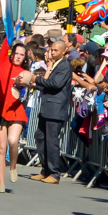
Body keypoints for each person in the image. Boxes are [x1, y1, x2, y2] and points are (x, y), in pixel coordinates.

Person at [0, 38, 33, 195]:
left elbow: (29, 84)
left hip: (16, 109)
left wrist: (24, 83)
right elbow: (5, 46)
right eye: (16, 53)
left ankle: (14, 166)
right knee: (1, 148)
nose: (18, 56)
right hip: (1, 109)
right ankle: (1, 182)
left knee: (13, 140)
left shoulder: (25, 72)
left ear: (25, 57)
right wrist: (11, 30)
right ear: (12, 54)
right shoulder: (3, 64)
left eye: (22, 54)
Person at [32, 34, 74, 183]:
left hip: (55, 109)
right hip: (47, 108)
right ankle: (45, 170)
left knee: (51, 141)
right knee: (40, 136)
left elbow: (55, 84)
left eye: (56, 50)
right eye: (51, 50)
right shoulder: (56, 64)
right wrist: (35, 85)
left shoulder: (65, 66)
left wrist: (37, 79)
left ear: (63, 51)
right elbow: (49, 85)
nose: (53, 53)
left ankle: (54, 173)